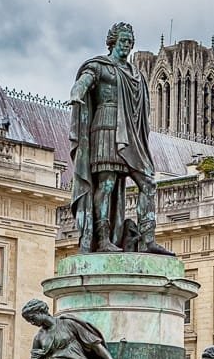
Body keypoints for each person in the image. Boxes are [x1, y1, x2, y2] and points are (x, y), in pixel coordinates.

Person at [70, 22, 172, 255]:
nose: (127, 45)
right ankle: (103, 238)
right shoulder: (100, 67)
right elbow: (84, 82)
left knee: (148, 181)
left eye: (130, 41)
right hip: (105, 126)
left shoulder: (135, 73)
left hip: (131, 133)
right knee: (106, 183)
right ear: (112, 42)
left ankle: (148, 239)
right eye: (123, 40)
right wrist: (76, 92)